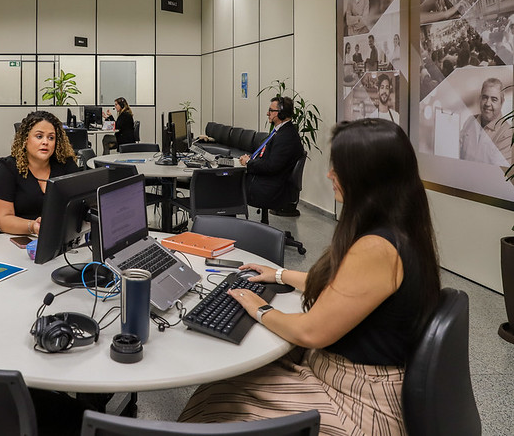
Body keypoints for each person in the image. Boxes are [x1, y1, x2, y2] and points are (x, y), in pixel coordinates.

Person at [180, 119, 442, 435]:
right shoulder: (398, 228)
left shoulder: (378, 247)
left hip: (358, 403)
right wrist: (278, 274)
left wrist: (259, 309)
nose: (330, 175)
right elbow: (344, 288)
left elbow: (311, 333)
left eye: (339, 168)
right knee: (219, 389)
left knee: (217, 405)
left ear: (367, 178)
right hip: (344, 378)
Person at [0, 110, 78, 235]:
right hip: (12, 240)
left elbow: (78, 205)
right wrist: (33, 226)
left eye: (51, 137)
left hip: (58, 238)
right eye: (39, 136)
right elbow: (4, 220)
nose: (45, 142)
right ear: (26, 139)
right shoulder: (7, 169)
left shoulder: (66, 165)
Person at [238, 96, 304, 210]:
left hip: (271, 189)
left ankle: (227, 226)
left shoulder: (286, 137)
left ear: (281, 113)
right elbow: (270, 157)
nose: (267, 114)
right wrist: (252, 159)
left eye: (271, 110)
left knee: (228, 185)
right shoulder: (281, 132)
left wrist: (249, 163)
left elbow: (272, 166)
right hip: (268, 182)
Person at [459, 77, 512, 166]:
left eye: (494, 99)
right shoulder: (470, 121)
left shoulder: (507, 133)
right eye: (485, 97)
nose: (487, 103)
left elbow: (499, 173)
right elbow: (456, 153)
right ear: (480, 98)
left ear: (502, 102)